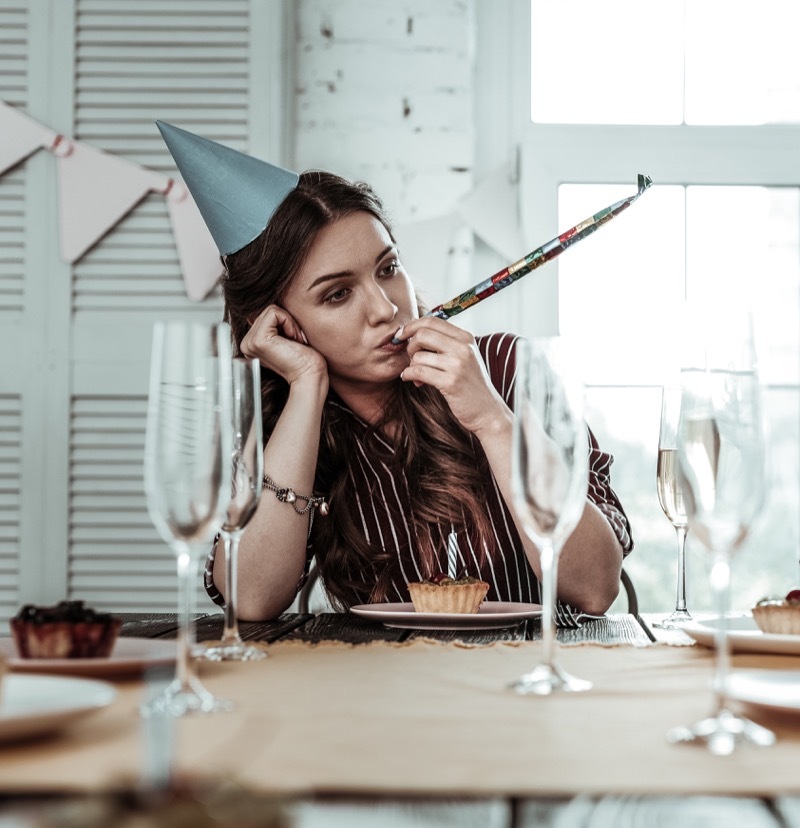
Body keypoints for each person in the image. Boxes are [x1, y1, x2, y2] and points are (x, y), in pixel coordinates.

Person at [157, 123, 633, 622]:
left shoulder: (507, 369)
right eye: (338, 294)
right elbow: (251, 599)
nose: (386, 308)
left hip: (525, 677)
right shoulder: (285, 425)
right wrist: (306, 386)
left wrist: (493, 421)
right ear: (282, 325)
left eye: (387, 268)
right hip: (376, 688)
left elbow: (595, 587)